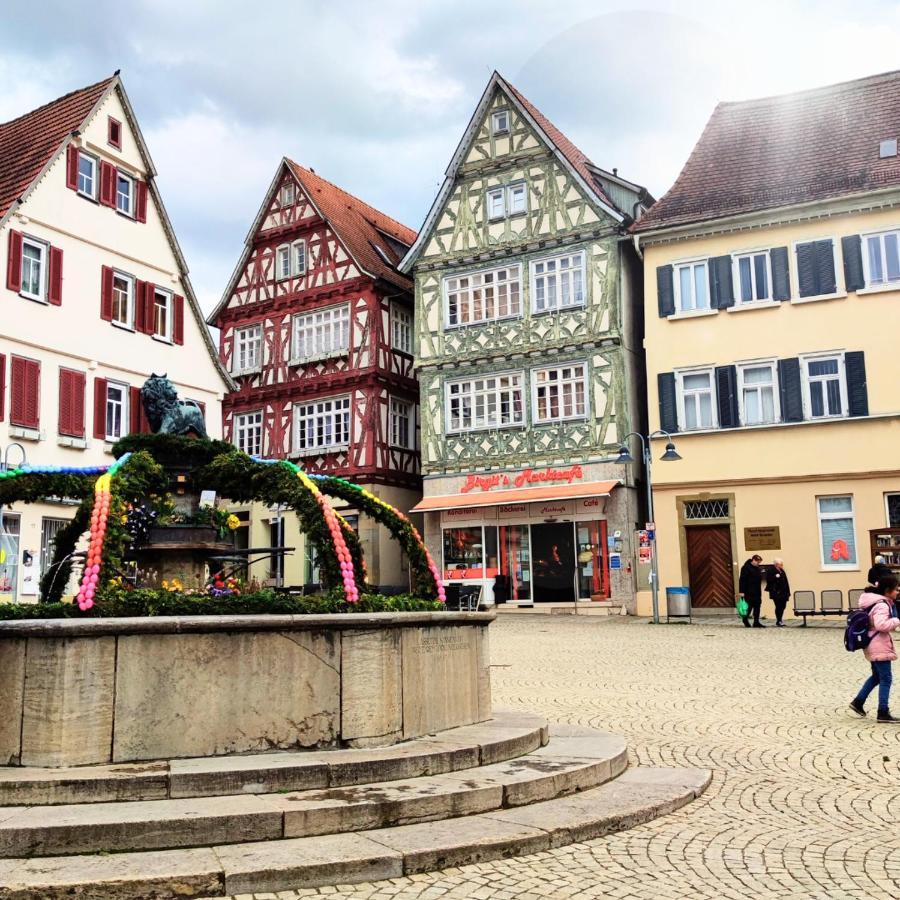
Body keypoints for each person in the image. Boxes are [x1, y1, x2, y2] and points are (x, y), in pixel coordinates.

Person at [849, 575, 900, 723]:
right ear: (887, 590)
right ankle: (882, 712)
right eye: (896, 590)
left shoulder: (874, 602)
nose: (897, 592)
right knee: (886, 679)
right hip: (879, 645)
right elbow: (881, 625)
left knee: (877, 676)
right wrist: (897, 620)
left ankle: (858, 702)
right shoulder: (882, 605)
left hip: (872, 644)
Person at [738, 554, 765, 628]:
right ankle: (745, 619)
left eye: (759, 562)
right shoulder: (746, 568)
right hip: (748, 591)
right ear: (753, 560)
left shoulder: (757, 568)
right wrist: (741, 591)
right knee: (748, 607)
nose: (758, 563)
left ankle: (756, 622)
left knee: (757, 606)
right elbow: (742, 580)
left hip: (757, 591)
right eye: (757, 562)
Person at [765, 558, 791, 627]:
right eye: (781, 564)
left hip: (784, 592)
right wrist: (775, 577)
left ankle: (780, 619)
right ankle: (778, 620)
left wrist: (788, 592)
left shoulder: (782, 570)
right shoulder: (771, 571)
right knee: (778, 606)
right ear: (776, 564)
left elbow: (786, 582)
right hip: (776, 592)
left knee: (783, 606)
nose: (782, 565)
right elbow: (769, 580)